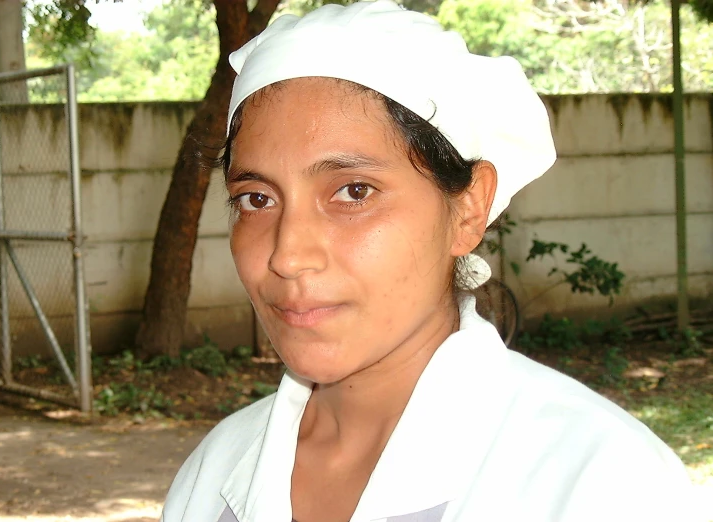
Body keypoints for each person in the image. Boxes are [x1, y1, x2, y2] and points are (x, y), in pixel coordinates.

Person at [161, 1, 696, 521]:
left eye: (353, 191)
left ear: (468, 209)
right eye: (257, 199)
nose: (288, 254)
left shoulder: (604, 484)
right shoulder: (213, 472)